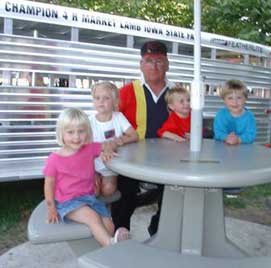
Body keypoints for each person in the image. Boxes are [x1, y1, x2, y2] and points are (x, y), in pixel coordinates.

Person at [111, 40, 173, 235]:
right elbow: (108, 120)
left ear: (167, 64)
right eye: (148, 60)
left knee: (174, 195)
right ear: (141, 65)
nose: (154, 66)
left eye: (159, 60)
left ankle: (159, 231)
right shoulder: (127, 92)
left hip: (169, 160)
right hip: (132, 159)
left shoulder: (177, 93)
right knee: (124, 196)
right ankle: (120, 235)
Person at [43, 107, 129, 247]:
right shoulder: (54, 159)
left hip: (89, 198)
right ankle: (111, 245)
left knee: (109, 224)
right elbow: (49, 185)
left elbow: (106, 145)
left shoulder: (89, 148)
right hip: (67, 202)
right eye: (70, 132)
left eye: (81, 131)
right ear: (61, 134)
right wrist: (51, 207)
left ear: (87, 132)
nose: (76, 137)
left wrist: (106, 150)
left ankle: (103, 250)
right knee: (92, 218)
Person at [89, 82, 138, 197]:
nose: (101, 101)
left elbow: (134, 135)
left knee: (108, 190)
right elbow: (84, 147)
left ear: (115, 102)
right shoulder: (89, 121)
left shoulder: (118, 117)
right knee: (93, 190)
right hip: (93, 166)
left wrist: (118, 141)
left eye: (106, 98)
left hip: (112, 166)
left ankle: (108, 209)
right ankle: (93, 211)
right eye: (97, 98)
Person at [214, 79, 256, 145]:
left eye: (239, 98)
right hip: (222, 149)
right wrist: (226, 138)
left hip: (244, 150)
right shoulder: (221, 115)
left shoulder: (249, 117)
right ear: (224, 100)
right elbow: (218, 132)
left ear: (245, 99)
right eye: (230, 98)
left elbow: (251, 135)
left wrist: (239, 140)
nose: (235, 102)